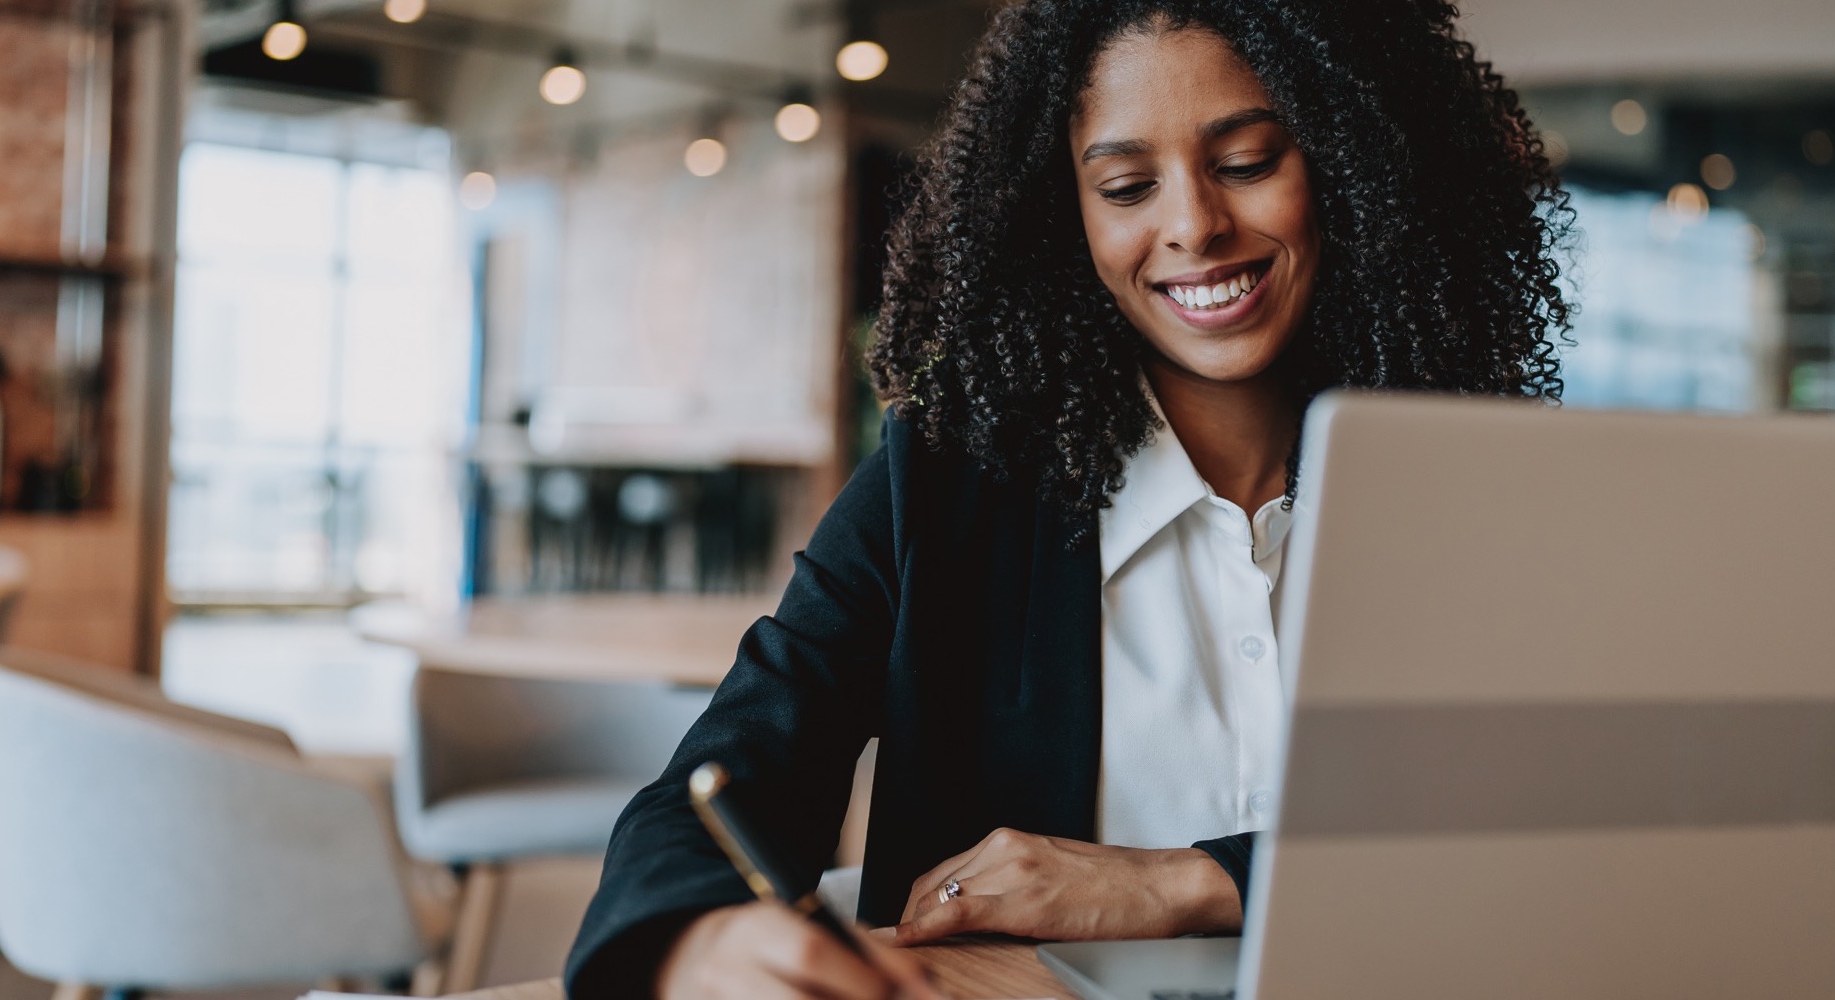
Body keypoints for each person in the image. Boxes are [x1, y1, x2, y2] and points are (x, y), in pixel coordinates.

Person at [565, 1, 1569, 997]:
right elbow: (723, 783)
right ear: (1068, 217)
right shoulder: (950, 487)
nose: (1193, 226)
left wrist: (1193, 881)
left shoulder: (1467, 493)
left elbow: (1550, 823)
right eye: (1127, 185)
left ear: (1353, 166)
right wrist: (692, 945)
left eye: (1250, 160)